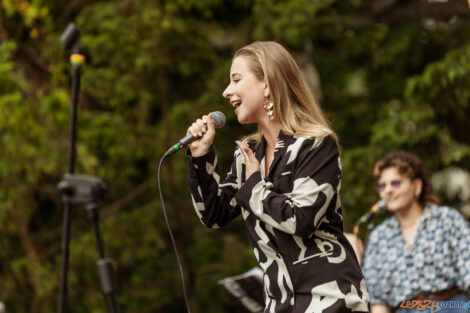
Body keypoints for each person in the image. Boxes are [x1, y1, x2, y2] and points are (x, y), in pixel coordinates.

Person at [185, 41, 370, 313]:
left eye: (236, 80)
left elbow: (302, 219)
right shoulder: (248, 156)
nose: (227, 92)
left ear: (268, 84)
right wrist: (201, 157)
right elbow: (213, 215)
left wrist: (253, 187)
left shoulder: (316, 144)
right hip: (279, 304)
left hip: (331, 298)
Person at [361, 151, 470, 313]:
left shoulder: (447, 219)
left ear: (417, 186)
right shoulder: (378, 237)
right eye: (382, 186)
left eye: (396, 183)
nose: (388, 190)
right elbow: (378, 301)